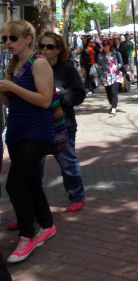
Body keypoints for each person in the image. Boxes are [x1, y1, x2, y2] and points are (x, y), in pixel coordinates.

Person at [0, 20, 56, 263]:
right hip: (17, 131)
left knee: (15, 184)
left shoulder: (39, 63)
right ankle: (47, 224)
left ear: (27, 39)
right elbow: (12, 104)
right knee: (31, 182)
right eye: (3, 39)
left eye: (12, 38)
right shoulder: (14, 65)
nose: (7, 43)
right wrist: (4, 89)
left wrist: (11, 85)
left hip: (36, 133)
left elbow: (44, 100)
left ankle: (27, 236)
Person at [39, 32, 87, 212]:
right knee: (32, 168)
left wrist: (60, 96)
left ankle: (77, 196)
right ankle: (30, 208)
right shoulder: (34, 67)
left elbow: (79, 93)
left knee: (67, 162)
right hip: (38, 125)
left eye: (49, 46)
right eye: (42, 46)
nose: (45, 50)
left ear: (59, 49)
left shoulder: (66, 69)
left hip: (62, 124)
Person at [97, 39, 124, 117]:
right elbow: (98, 64)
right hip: (106, 76)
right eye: (104, 46)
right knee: (108, 93)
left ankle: (114, 108)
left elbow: (121, 62)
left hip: (115, 74)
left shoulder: (116, 53)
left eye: (107, 46)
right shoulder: (100, 55)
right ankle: (112, 104)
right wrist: (99, 67)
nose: (105, 48)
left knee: (113, 91)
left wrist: (118, 66)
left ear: (109, 46)